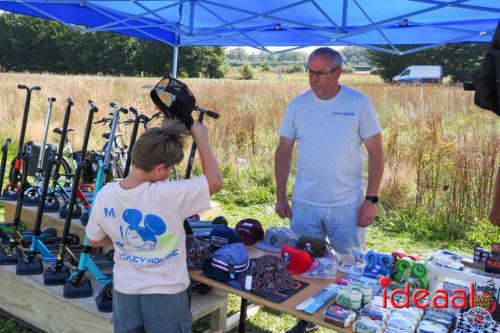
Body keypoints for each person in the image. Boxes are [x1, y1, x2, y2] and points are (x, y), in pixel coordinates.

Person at [274, 47, 384, 333]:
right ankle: (305, 319)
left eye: (320, 72)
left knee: (351, 268)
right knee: (306, 264)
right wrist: (280, 195)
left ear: (337, 73)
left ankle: (352, 321)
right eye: (310, 71)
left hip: (346, 204)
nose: (313, 78)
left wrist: (370, 200)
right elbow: (283, 151)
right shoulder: (297, 106)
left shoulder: (359, 103)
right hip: (305, 202)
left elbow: (376, 153)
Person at [86, 121, 223, 333]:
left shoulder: (106, 194)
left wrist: (122, 241)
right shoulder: (169, 194)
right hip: (166, 293)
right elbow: (214, 182)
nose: (168, 174)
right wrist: (201, 138)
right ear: (159, 169)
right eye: (169, 169)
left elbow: (94, 240)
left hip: (125, 291)